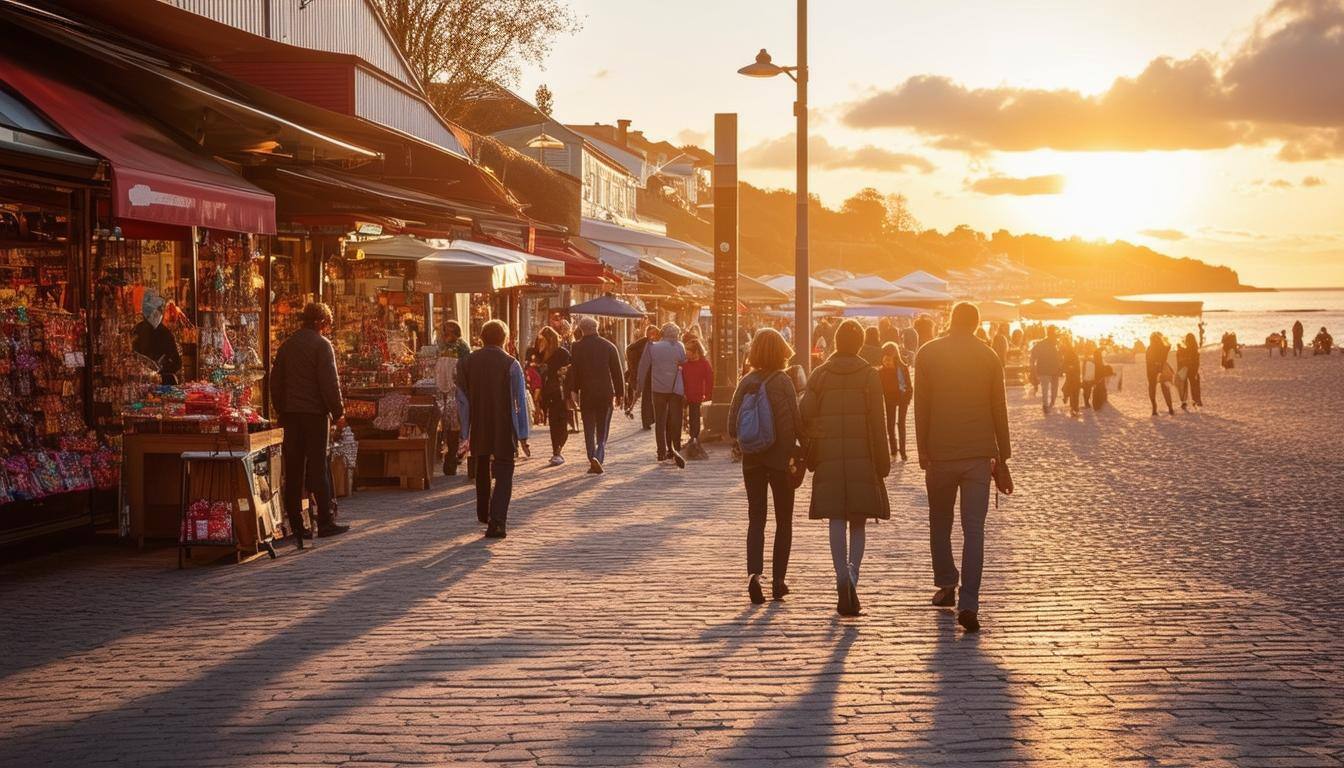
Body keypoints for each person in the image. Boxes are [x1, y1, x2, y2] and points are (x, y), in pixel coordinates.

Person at [914, 302, 1010, 633]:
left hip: (940, 454)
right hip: (978, 458)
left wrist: (922, 448)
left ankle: (945, 585)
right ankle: (969, 602)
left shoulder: (927, 353)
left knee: (939, 523)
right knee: (974, 530)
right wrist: (1004, 459)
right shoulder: (989, 357)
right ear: (977, 324)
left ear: (951, 321)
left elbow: (921, 405)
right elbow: (999, 407)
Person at [800, 319, 890, 617]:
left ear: (835, 341)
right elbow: (879, 423)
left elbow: (805, 413)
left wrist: (818, 435)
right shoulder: (869, 375)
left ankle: (840, 573)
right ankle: (853, 574)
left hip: (829, 455)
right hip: (863, 454)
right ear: (860, 343)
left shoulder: (820, 374)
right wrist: (883, 461)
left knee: (836, 517)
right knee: (859, 520)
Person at [728, 328, 803, 604]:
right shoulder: (783, 381)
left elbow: (730, 424)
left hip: (753, 461)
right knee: (783, 521)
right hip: (781, 461)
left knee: (756, 518)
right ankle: (779, 581)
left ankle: (754, 576)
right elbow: (796, 421)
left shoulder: (746, 381)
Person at [270, 302, 348, 546]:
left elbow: (275, 381)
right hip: (314, 415)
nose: (328, 328)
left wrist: (282, 409)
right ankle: (324, 521)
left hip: (290, 415)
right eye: (327, 324)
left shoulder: (287, 346)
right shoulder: (322, 346)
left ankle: (296, 525)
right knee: (318, 467)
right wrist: (338, 413)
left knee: (293, 470)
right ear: (320, 323)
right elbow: (329, 383)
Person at [460, 320, 531, 538]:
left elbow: (462, 400)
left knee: (481, 467)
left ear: (481, 338)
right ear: (505, 339)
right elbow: (520, 400)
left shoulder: (466, 363)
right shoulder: (511, 363)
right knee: (503, 472)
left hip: (479, 425)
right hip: (503, 426)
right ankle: (497, 521)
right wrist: (523, 435)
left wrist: (465, 432)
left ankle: (484, 513)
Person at [566, 316, 624, 474]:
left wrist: (574, 391)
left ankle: (592, 457)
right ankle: (599, 454)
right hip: (605, 392)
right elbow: (617, 372)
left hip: (587, 393)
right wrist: (620, 393)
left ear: (582, 330)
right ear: (596, 328)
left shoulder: (576, 347)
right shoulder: (609, 346)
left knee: (589, 427)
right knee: (602, 428)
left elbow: (575, 372)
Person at [637, 323, 688, 468]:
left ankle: (661, 451)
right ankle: (675, 448)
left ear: (663, 333)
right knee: (675, 418)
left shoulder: (653, 346)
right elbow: (684, 365)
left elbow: (643, 367)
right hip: (675, 389)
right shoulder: (680, 346)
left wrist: (639, 388)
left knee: (660, 420)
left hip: (658, 388)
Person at [435, 320, 471, 476]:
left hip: (456, 393)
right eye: (443, 331)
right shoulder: (440, 346)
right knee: (443, 427)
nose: (444, 334)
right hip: (440, 392)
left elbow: (467, 369)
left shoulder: (462, 347)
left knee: (454, 428)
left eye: (447, 331)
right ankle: (446, 457)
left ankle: (452, 460)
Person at [533, 327, 572, 466]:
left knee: (559, 421)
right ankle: (556, 449)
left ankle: (557, 450)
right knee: (553, 422)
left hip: (560, 393)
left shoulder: (561, 353)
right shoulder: (539, 354)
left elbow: (569, 371)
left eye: (542, 340)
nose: (540, 343)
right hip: (547, 393)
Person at [131, 289, 182, 385]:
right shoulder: (163, 332)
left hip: (144, 382)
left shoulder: (138, 329)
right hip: (156, 383)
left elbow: (177, 363)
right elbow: (177, 363)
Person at [681, 336, 714, 460]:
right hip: (683, 395)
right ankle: (684, 436)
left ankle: (694, 437)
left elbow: (709, 380)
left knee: (695, 416)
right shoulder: (684, 364)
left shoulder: (704, 364)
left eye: (688, 351)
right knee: (682, 416)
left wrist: (708, 394)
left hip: (696, 395)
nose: (686, 354)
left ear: (696, 352)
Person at [878, 342, 912, 460]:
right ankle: (893, 449)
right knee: (890, 424)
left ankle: (903, 451)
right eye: (885, 358)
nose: (886, 361)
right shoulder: (881, 372)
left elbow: (908, 385)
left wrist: (908, 398)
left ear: (895, 357)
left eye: (889, 358)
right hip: (889, 399)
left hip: (902, 397)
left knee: (901, 424)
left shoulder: (902, 369)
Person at [625, 325, 658, 429]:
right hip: (646, 372)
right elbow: (629, 349)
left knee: (650, 397)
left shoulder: (656, 343)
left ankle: (650, 419)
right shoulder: (643, 341)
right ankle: (646, 421)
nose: (653, 335)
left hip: (653, 372)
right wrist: (636, 364)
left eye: (655, 333)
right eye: (651, 333)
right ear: (647, 333)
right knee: (647, 397)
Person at [1030, 326, 1062, 415]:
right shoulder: (1054, 344)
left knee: (1047, 389)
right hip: (1049, 370)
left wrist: (1032, 366)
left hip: (1048, 370)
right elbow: (1033, 356)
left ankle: (1049, 404)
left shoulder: (1045, 344)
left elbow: (1033, 356)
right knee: (1050, 388)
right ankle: (1049, 404)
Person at [1146, 331, 1175, 416]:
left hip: (1152, 370)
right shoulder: (1163, 347)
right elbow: (1169, 345)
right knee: (1165, 389)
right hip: (1162, 369)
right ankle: (1170, 408)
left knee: (1152, 388)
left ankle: (1154, 408)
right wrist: (1164, 339)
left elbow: (1148, 362)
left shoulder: (1149, 348)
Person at [1176, 332, 1203, 410]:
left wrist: (1180, 348)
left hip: (1187, 370)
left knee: (1183, 386)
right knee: (1194, 386)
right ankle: (1195, 402)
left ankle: (1184, 402)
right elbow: (1197, 362)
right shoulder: (1194, 349)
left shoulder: (1190, 349)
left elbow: (1183, 355)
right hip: (1193, 370)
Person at [1060, 335, 1081, 417]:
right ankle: (1074, 408)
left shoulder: (1069, 352)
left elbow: (1067, 364)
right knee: (1073, 391)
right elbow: (1067, 364)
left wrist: (1065, 369)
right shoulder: (1071, 352)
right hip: (1073, 375)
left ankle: (1073, 407)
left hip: (1073, 375)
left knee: (1072, 391)